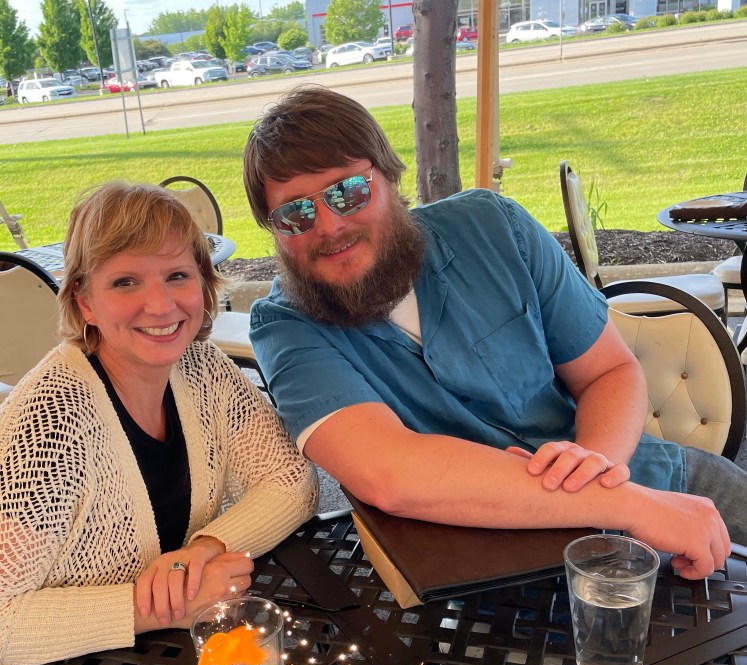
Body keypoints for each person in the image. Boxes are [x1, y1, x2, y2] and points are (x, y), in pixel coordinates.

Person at [243, 85, 746, 582]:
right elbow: (388, 474)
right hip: (492, 565)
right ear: (274, 231)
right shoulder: (285, 327)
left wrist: (597, 467)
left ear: (390, 178)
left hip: (658, 481)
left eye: (347, 192)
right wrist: (617, 503)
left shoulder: (495, 228)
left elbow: (608, 371)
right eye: (295, 213)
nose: (328, 225)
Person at [0, 181, 318, 665]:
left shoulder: (202, 367)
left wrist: (204, 549)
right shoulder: (51, 423)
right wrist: (155, 607)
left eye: (177, 275)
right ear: (84, 300)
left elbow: (292, 481)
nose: (160, 304)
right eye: (125, 282)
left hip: (167, 663)